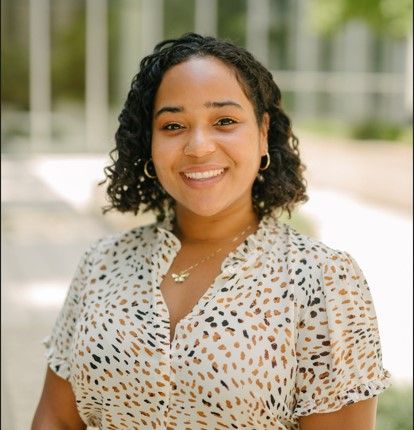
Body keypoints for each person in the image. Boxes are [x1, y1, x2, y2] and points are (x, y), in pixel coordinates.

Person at [32, 33, 391, 430]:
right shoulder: (101, 265)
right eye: (173, 125)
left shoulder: (324, 280)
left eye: (224, 121)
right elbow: (57, 419)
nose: (199, 146)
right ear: (149, 143)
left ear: (261, 133)